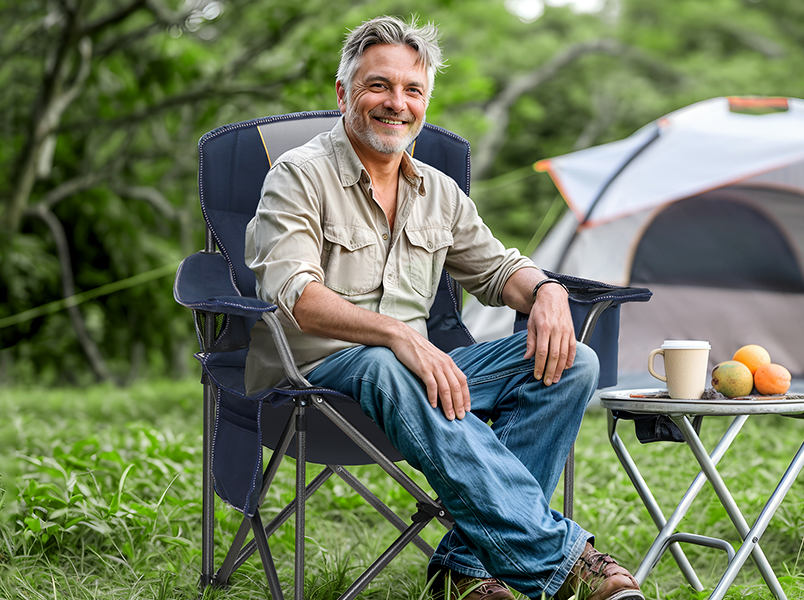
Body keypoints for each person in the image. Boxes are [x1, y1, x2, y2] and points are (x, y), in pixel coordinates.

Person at [243, 16, 642, 600]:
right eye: (378, 85)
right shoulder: (298, 176)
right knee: (383, 361)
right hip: (315, 378)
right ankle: (564, 560)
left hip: (420, 378)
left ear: (425, 100)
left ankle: (463, 568)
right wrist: (398, 337)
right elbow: (298, 296)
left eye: (413, 90)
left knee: (572, 362)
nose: (396, 103)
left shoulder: (438, 191)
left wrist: (548, 291)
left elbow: (498, 269)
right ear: (343, 93)